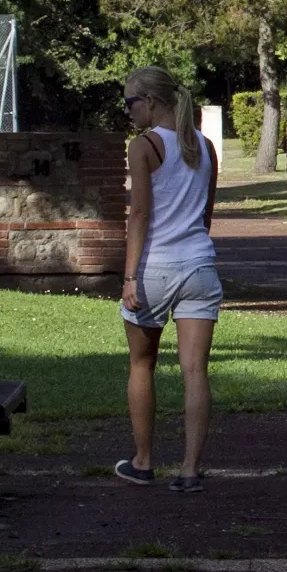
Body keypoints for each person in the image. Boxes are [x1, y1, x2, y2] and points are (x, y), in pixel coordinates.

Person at [114, 65, 223, 494]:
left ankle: (143, 462)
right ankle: (190, 469)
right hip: (200, 266)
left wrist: (128, 277)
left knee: (142, 364)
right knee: (195, 371)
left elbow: (138, 214)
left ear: (151, 102)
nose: (128, 111)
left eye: (130, 103)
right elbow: (206, 215)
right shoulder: (206, 147)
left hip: (153, 268)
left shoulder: (143, 147)